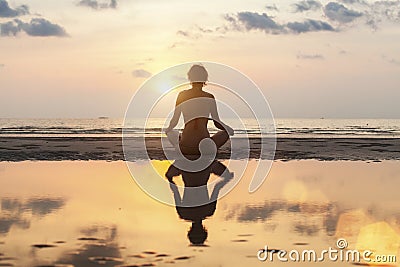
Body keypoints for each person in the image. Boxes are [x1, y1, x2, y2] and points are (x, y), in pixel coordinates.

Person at [165, 64, 234, 155]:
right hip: (205, 147)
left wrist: (168, 130)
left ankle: (180, 146)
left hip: (185, 147)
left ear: (190, 78)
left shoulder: (182, 95)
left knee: (171, 132)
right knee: (225, 133)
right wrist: (229, 129)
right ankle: (209, 149)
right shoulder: (209, 97)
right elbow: (217, 122)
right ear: (204, 79)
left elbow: (175, 120)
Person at [165, 160, 234, 245]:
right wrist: (169, 178)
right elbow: (175, 190)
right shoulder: (183, 214)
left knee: (222, 171)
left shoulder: (209, 212)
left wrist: (227, 178)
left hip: (195, 164)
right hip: (198, 164)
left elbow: (217, 188)